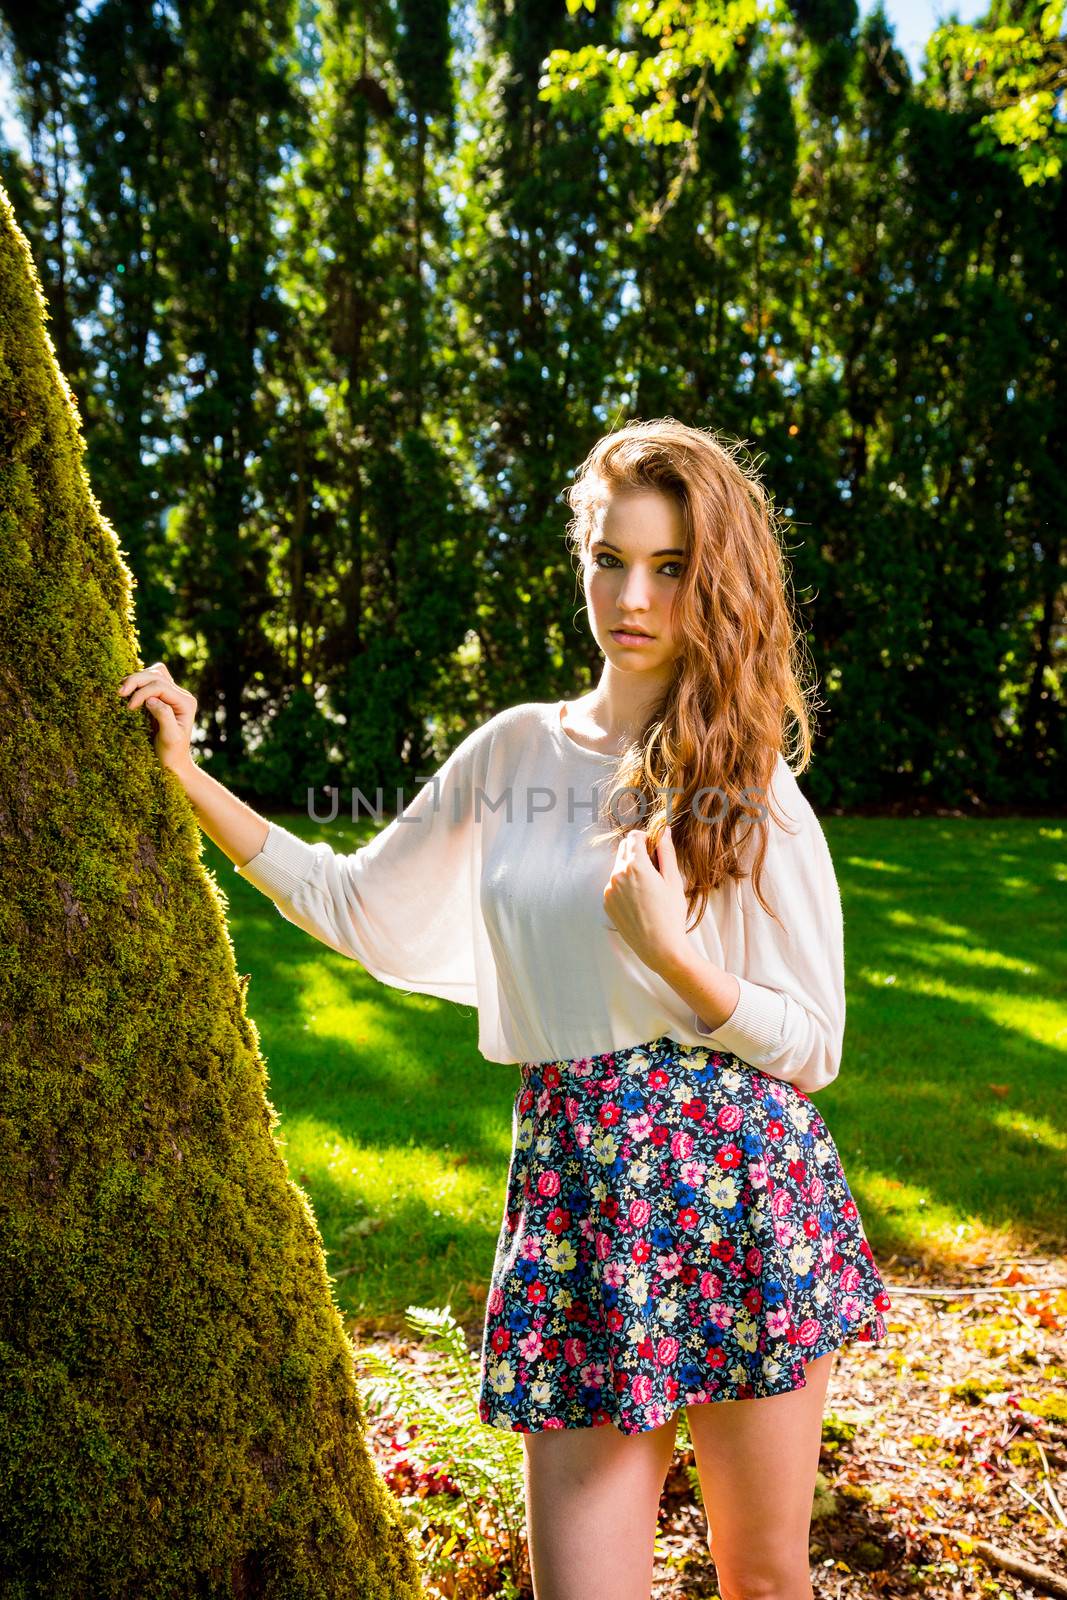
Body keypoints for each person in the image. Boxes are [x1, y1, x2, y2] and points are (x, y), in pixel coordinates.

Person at [117, 417, 892, 1600]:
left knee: (764, 1576)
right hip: (578, 1189)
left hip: (742, 1192)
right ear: (580, 559)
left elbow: (815, 1042)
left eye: (669, 566)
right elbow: (354, 900)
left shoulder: (744, 777)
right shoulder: (512, 751)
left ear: (713, 577)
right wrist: (186, 776)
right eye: (608, 557)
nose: (631, 594)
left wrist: (681, 964)